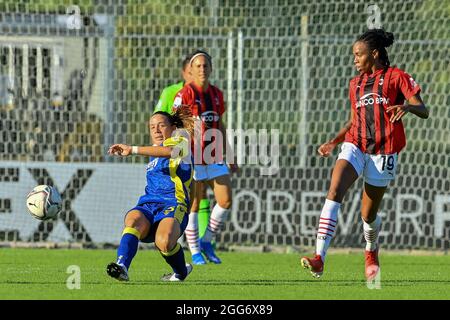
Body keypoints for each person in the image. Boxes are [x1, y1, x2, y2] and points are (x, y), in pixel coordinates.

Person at [301, 29, 429, 280]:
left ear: (374, 53)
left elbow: (423, 109)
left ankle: (371, 250)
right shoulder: (355, 84)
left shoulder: (396, 77)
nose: (355, 60)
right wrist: (333, 142)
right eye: (353, 56)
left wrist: (406, 106)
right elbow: (353, 121)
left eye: (358, 55)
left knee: (367, 215)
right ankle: (319, 258)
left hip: (385, 151)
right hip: (355, 145)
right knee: (335, 189)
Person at [106, 106, 196, 282]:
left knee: (164, 242)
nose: (156, 130)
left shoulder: (181, 141)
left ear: (172, 128)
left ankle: (180, 272)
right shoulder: (153, 154)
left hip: (173, 204)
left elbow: (169, 152)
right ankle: (122, 266)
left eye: (161, 125)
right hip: (149, 205)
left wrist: (132, 149)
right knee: (132, 219)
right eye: (152, 126)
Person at [173, 50, 238, 265]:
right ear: (190, 70)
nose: (202, 69)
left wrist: (230, 153)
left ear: (211, 68)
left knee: (225, 200)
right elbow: (176, 126)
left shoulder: (217, 94)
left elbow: (220, 125)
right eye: (198, 66)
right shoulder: (184, 95)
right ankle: (195, 252)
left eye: (205, 65)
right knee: (194, 203)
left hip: (214, 155)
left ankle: (207, 240)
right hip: (193, 157)